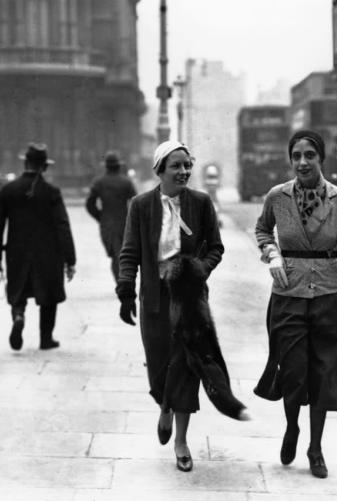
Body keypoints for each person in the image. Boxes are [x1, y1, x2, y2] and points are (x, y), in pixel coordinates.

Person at [253, 129, 337, 479]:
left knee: (322, 376)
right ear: (290, 160)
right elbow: (263, 230)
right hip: (288, 296)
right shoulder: (277, 197)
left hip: (327, 297)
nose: (303, 162)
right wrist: (272, 253)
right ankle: (292, 426)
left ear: (322, 158)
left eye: (310, 155)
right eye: (296, 156)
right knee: (292, 373)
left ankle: (315, 447)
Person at [116, 140, 227, 473]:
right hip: (154, 300)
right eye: (176, 166)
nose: (184, 171)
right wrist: (124, 289)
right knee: (159, 369)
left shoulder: (202, 204)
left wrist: (199, 270)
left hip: (189, 301)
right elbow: (130, 252)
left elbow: (216, 248)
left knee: (186, 369)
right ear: (160, 170)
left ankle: (180, 441)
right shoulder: (140, 206)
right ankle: (164, 405)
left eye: (187, 165)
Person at [0, 143, 76, 350]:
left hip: (17, 252)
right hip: (49, 254)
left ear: (25, 163)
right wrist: (70, 260)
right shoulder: (52, 192)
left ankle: (18, 316)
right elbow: (63, 226)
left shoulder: (8, 190)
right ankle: (46, 339)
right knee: (49, 295)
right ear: (44, 167)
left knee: (18, 288)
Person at [85, 151, 137, 282]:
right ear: (119, 166)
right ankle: (124, 281)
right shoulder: (126, 182)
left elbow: (89, 204)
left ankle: (121, 282)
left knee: (115, 255)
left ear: (106, 166)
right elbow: (136, 203)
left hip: (107, 225)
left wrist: (100, 217)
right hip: (124, 224)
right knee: (123, 255)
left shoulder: (99, 182)